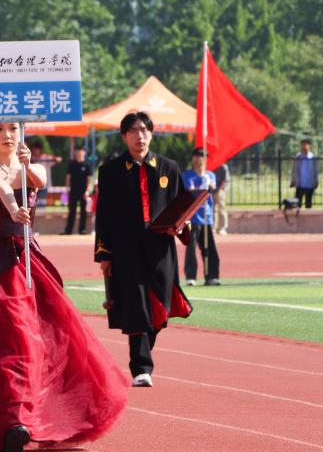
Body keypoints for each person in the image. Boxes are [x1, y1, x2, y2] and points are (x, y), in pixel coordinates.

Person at [0, 122, 128, 452]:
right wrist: (13, 207)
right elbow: (0, 185)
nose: (7, 134)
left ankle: (26, 419)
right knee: (7, 342)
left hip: (29, 261)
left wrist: (26, 167)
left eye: (13, 128)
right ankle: (11, 422)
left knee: (43, 339)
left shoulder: (34, 169)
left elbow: (37, 180)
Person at [94, 112, 192, 387]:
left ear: (151, 133)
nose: (140, 135)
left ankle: (144, 349)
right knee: (136, 306)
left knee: (160, 308)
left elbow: (183, 207)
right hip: (126, 250)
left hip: (161, 249)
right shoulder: (110, 171)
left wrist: (182, 227)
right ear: (124, 136)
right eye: (134, 130)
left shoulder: (169, 168)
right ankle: (141, 367)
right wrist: (104, 254)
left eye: (145, 130)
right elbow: (104, 215)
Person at [182, 149, 221, 286]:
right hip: (192, 216)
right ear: (194, 158)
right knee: (191, 248)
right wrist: (203, 187)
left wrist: (210, 186)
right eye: (198, 156)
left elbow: (213, 191)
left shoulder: (210, 175)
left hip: (206, 216)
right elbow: (190, 191)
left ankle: (211, 276)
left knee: (209, 247)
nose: (201, 159)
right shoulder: (187, 175)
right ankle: (191, 276)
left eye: (203, 156)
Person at [63, 146, 92, 235]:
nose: (79, 153)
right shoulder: (72, 164)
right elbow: (68, 177)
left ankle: (82, 230)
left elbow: (89, 179)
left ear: (84, 153)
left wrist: (87, 191)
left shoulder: (87, 165)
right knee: (72, 210)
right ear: (75, 153)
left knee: (83, 211)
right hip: (73, 190)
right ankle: (68, 230)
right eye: (77, 151)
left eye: (81, 151)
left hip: (83, 191)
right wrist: (67, 188)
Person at [290, 139, 317, 208]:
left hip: (309, 184)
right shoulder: (298, 157)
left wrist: (315, 181)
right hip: (300, 184)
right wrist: (293, 180)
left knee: (308, 204)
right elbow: (294, 170)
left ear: (309, 146)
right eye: (302, 145)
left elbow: (315, 170)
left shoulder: (312, 157)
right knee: (297, 204)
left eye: (305, 145)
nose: (304, 147)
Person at [213, 162, 230, 234]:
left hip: (220, 190)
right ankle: (213, 227)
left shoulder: (223, 167)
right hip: (212, 190)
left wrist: (218, 189)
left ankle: (223, 227)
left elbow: (225, 180)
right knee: (213, 210)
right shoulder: (212, 165)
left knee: (221, 209)